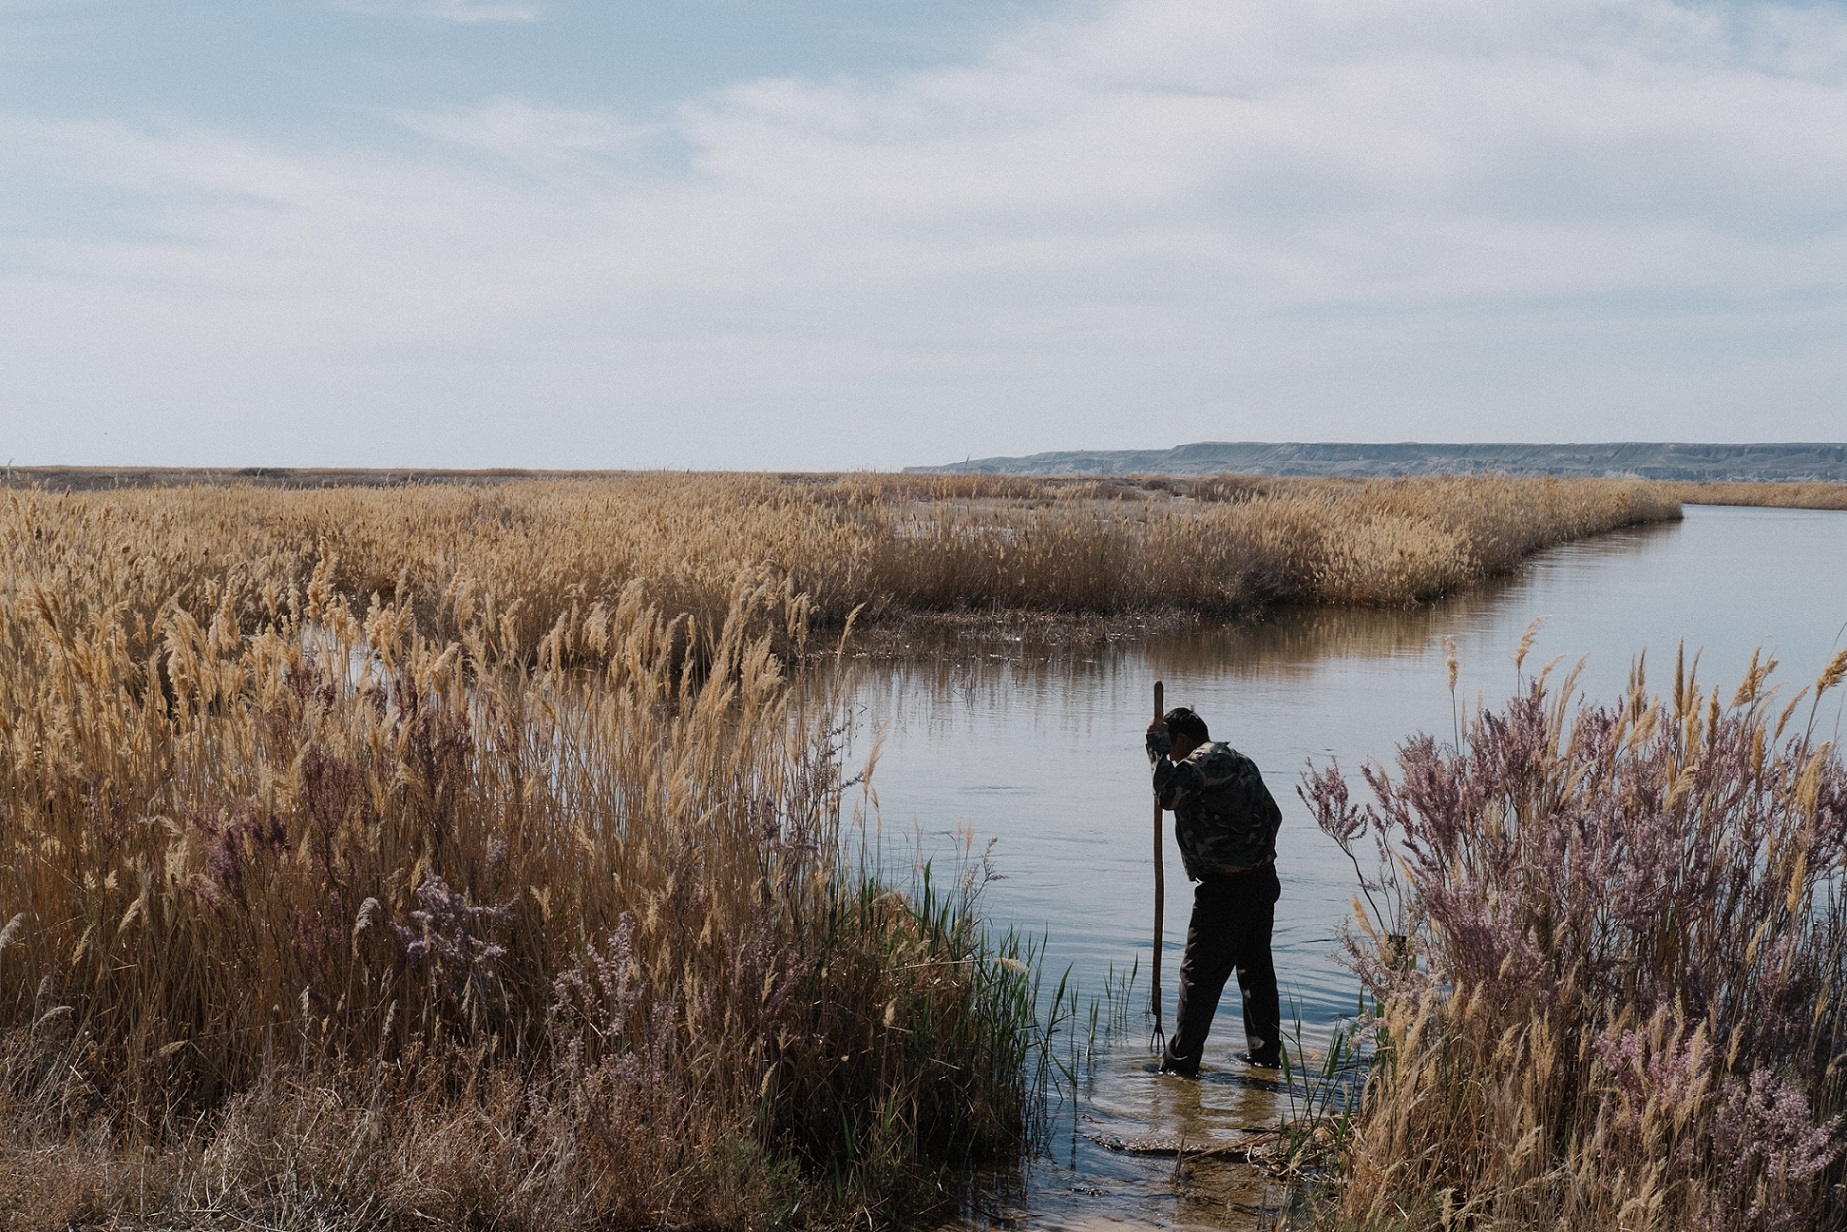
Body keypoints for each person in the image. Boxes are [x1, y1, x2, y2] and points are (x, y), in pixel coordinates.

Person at [1145, 705, 1283, 1076]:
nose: (1172, 757)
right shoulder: (1241, 760)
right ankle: (1265, 1058)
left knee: (1199, 977)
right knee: (1256, 975)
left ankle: (1179, 1065)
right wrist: (1250, 853)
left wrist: (1155, 748)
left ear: (1183, 740)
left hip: (1227, 890)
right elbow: (1275, 814)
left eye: (1172, 747)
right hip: (1261, 880)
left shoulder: (1202, 760)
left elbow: (1168, 795)